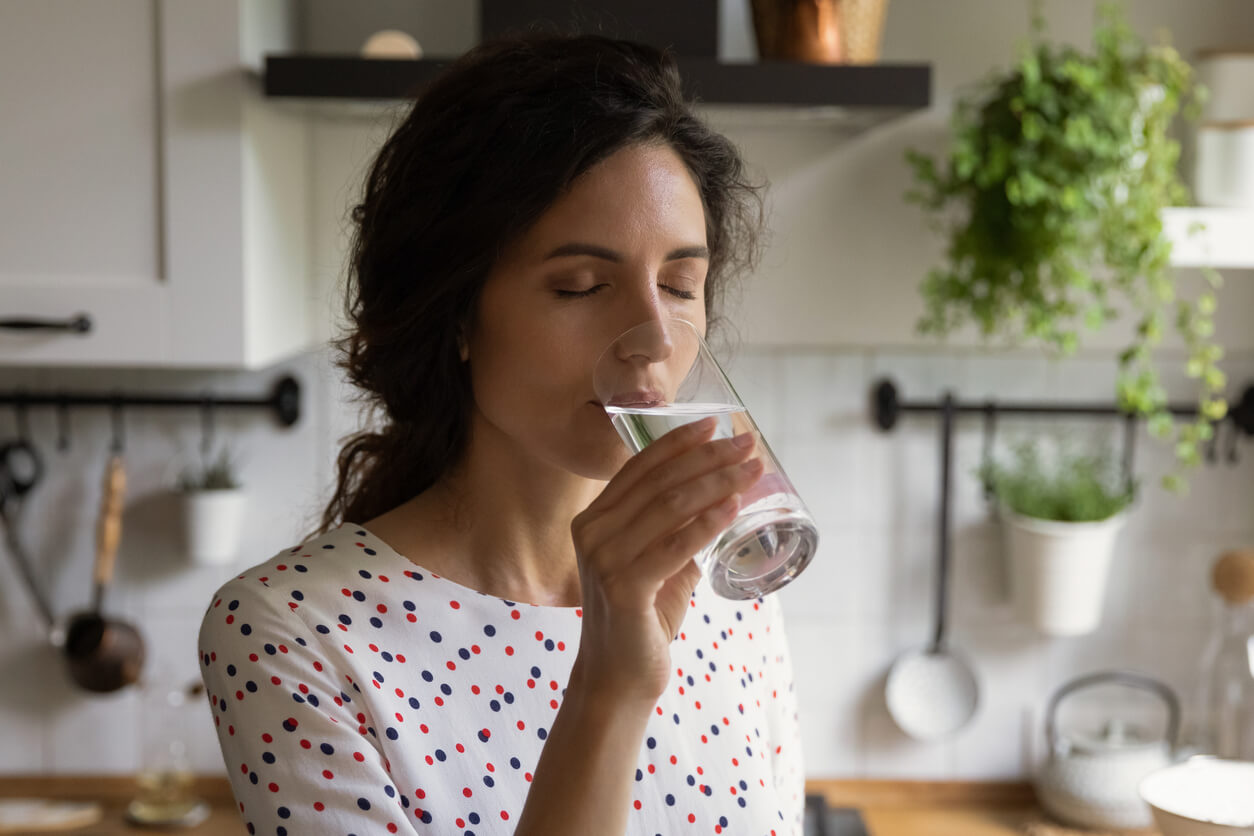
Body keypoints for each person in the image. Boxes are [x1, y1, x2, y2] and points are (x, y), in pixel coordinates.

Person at [198, 32, 804, 836]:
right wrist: (606, 690)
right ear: (457, 314)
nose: (654, 337)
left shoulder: (731, 593)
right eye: (582, 285)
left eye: (679, 285)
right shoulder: (293, 633)